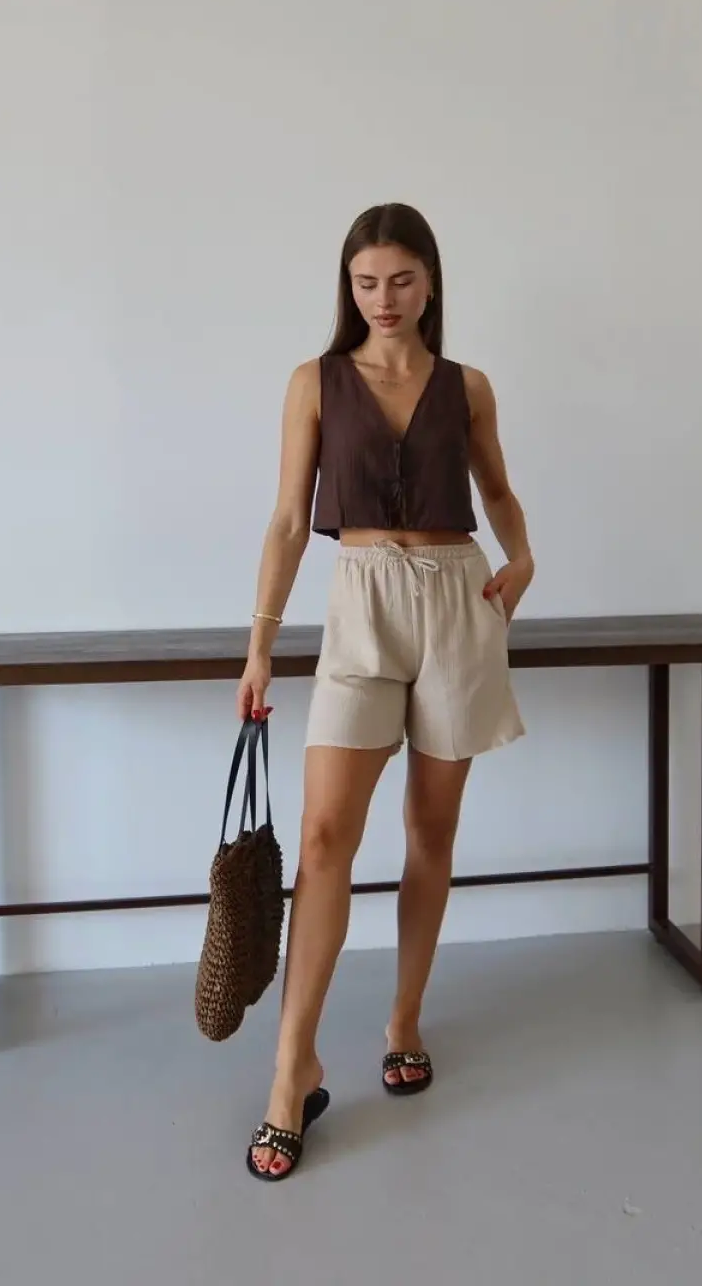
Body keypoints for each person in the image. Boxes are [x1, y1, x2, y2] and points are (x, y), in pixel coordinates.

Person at [238, 202, 534, 1181]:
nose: (383, 299)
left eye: (400, 279)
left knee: (430, 834)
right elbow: (289, 521)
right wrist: (259, 646)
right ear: (348, 287)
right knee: (325, 838)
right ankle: (293, 1069)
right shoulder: (316, 382)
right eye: (365, 282)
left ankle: (404, 1020)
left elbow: (495, 491)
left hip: (456, 603)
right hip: (359, 605)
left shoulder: (467, 386)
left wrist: (524, 557)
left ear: (430, 280)